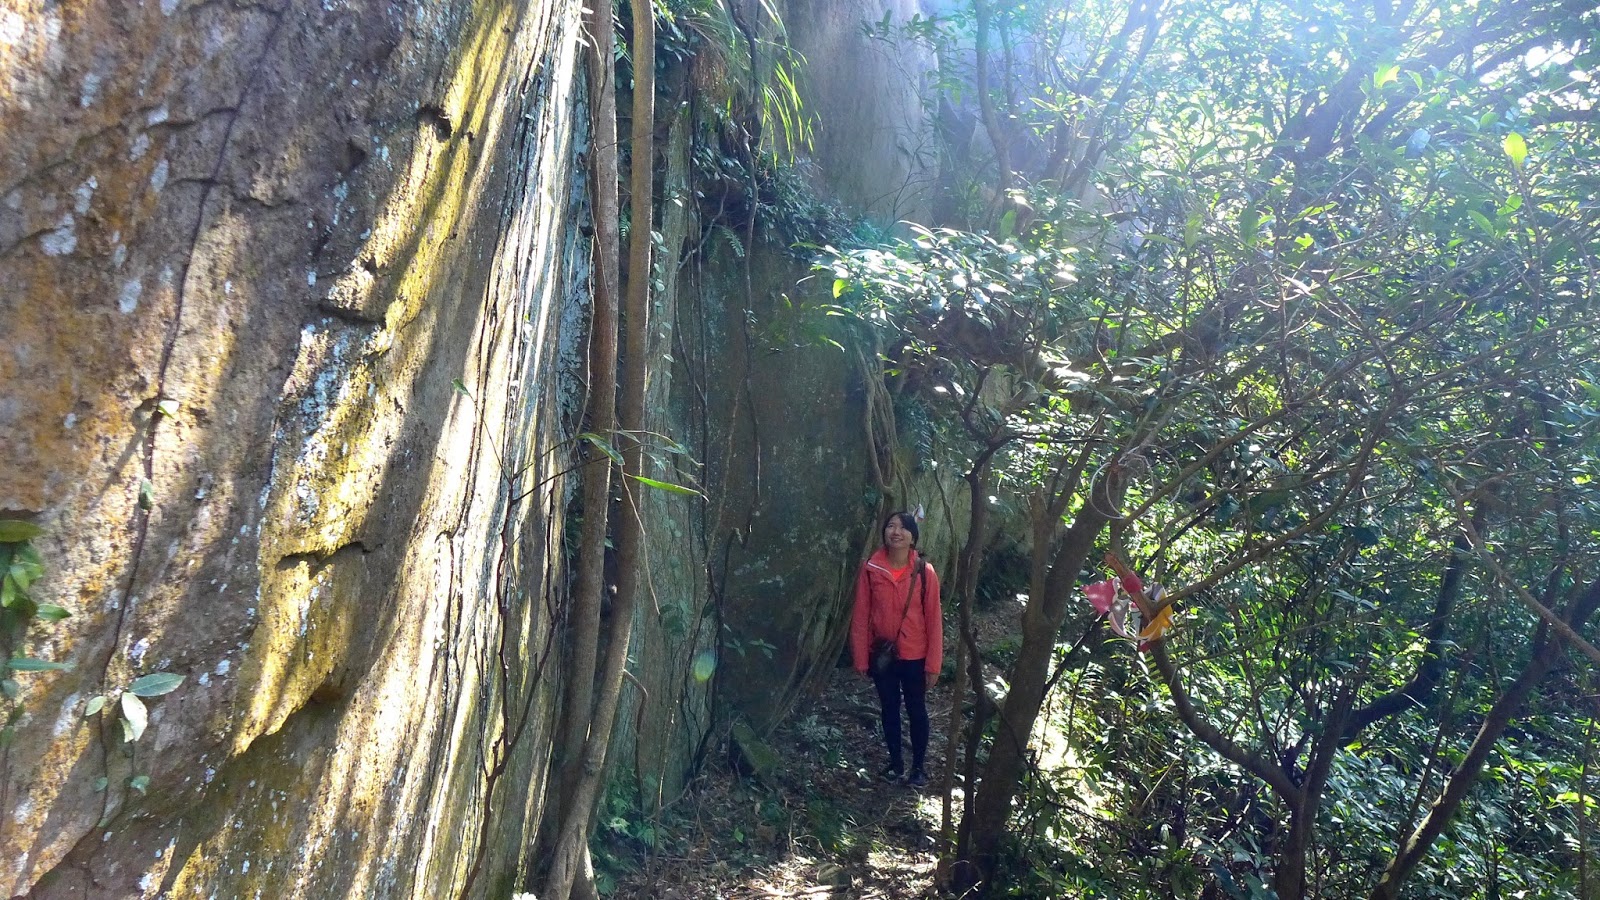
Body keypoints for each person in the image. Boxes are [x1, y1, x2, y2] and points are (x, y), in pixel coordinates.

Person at [850, 511, 943, 787]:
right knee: (889, 708)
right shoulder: (871, 568)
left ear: (913, 537)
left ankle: (918, 768)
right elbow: (861, 615)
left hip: (916, 654)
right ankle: (896, 763)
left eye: (903, 528)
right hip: (883, 654)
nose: (896, 532)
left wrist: (934, 665)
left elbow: (934, 621)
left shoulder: (924, 572)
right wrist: (861, 657)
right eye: (891, 526)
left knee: (916, 709)